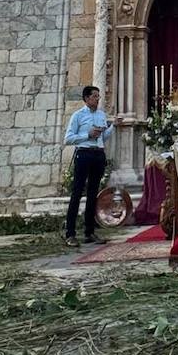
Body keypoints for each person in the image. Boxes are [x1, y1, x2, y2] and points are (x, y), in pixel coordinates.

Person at [63, 86, 114, 248]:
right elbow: (68, 138)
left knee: (93, 193)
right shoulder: (78, 116)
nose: (97, 99)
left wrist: (113, 127)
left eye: (98, 96)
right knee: (77, 192)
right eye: (94, 96)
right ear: (86, 98)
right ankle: (70, 233)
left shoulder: (101, 115)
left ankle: (89, 231)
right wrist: (87, 135)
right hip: (83, 154)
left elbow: (103, 136)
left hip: (98, 154)